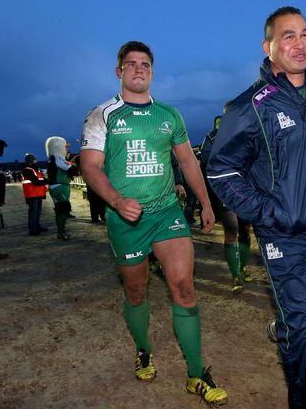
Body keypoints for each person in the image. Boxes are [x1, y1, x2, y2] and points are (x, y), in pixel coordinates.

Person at [207, 6, 306, 408]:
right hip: (283, 232)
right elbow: (221, 170)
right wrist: (268, 213)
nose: (300, 44)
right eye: (288, 36)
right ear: (268, 47)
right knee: (303, 321)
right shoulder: (250, 106)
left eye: (305, 34)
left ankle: (288, 324)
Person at [79, 41, 227, 405]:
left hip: (166, 214)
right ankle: (143, 350)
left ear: (152, 72)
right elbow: (90, 166)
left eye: (145, 64)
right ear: (119, 72)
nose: (139, 69)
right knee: (136, 290)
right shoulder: (102, 115)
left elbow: (188, 162)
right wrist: (116, 201)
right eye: (131, 64)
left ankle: (196, 374)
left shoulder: (169, 115)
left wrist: (206, 203)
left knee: (184, 287)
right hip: (125, 218)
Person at [200, 114, 253, 294]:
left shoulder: (246, 134)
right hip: (226, 191)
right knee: (232, 231)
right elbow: (205, 162)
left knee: (245, 230)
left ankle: (243, 267)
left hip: (246, 190)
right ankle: (235, 275)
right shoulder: (212, 138)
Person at [46, 136, 77, 240]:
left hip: (54, 187)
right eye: (65, 147)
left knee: (59, 210)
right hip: (60, 186)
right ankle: (61, 232)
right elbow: (70, 169)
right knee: (63, 210)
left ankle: (60, 231)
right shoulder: (58, 158)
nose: (67, 149)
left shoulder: (52, 159)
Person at [20, 154, 49, 235]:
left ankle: (37, 226)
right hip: (32, 194)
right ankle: (32, 230)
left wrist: (47, 180)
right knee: (33, 212)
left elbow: (41, 178)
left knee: (37, 212)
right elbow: (36, 181)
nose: (36, 161)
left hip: (38, 193)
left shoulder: (35, 169)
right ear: (31, 161)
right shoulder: (27, 170)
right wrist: (48, 181)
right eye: (34, 160)